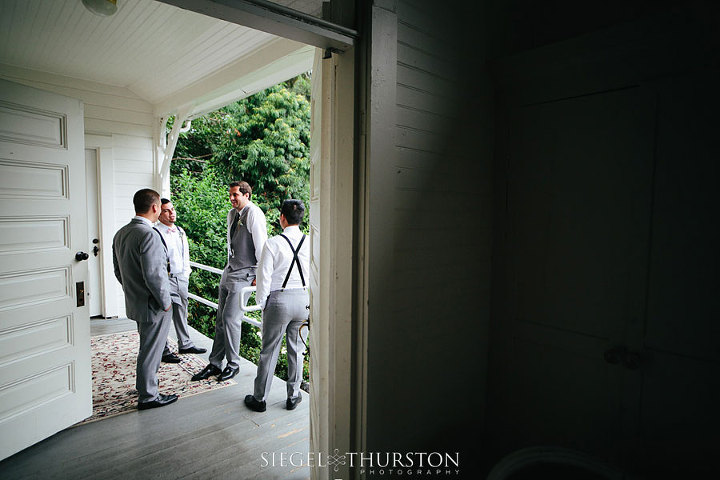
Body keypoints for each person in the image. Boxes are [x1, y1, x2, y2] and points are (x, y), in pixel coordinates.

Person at [191, 181, 267, 382]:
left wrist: (259, 275)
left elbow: (262, 248)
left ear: (246, 195)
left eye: (236, 195)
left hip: (246, 273)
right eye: (231, 195)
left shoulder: (254, 214)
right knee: (220, 319)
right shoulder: (232, 214)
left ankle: (233, 364)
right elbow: (230, 243)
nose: (232, 198)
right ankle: (215, 363)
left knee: (232, 319)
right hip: (230, 270)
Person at [113, 188, 178, 410]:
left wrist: (132, 290)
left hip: (136, 301)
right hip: (152, 304)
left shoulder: (121, 233)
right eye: (160, 205)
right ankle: (148, 396)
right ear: (154, 207)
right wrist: (166, 302)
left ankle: (144, 387)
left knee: (146, 347)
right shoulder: (149, 234)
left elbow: (118, 271)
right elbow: (155, 275)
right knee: (151, 351)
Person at [244, 199, 309, 412]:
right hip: (304, 300)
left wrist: (263, 303)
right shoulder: (310, 242)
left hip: (279, 300)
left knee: (269, 351)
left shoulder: (273, 243)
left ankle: (260, 398)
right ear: (301, 219)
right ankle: (294, 395)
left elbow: (264, 277)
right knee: (297, 350)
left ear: (282, 217)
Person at [155, 198, 207, 359]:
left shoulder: (180, 231)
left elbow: (185, 256)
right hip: (166, 279)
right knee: (163, 314)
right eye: (166, 211)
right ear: (158, 214)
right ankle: (163, 350)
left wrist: (186, 274)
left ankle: (185, 344)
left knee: (182, 312)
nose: (172, 213)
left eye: (172, 209)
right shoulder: (155, 233)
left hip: (181, 278)